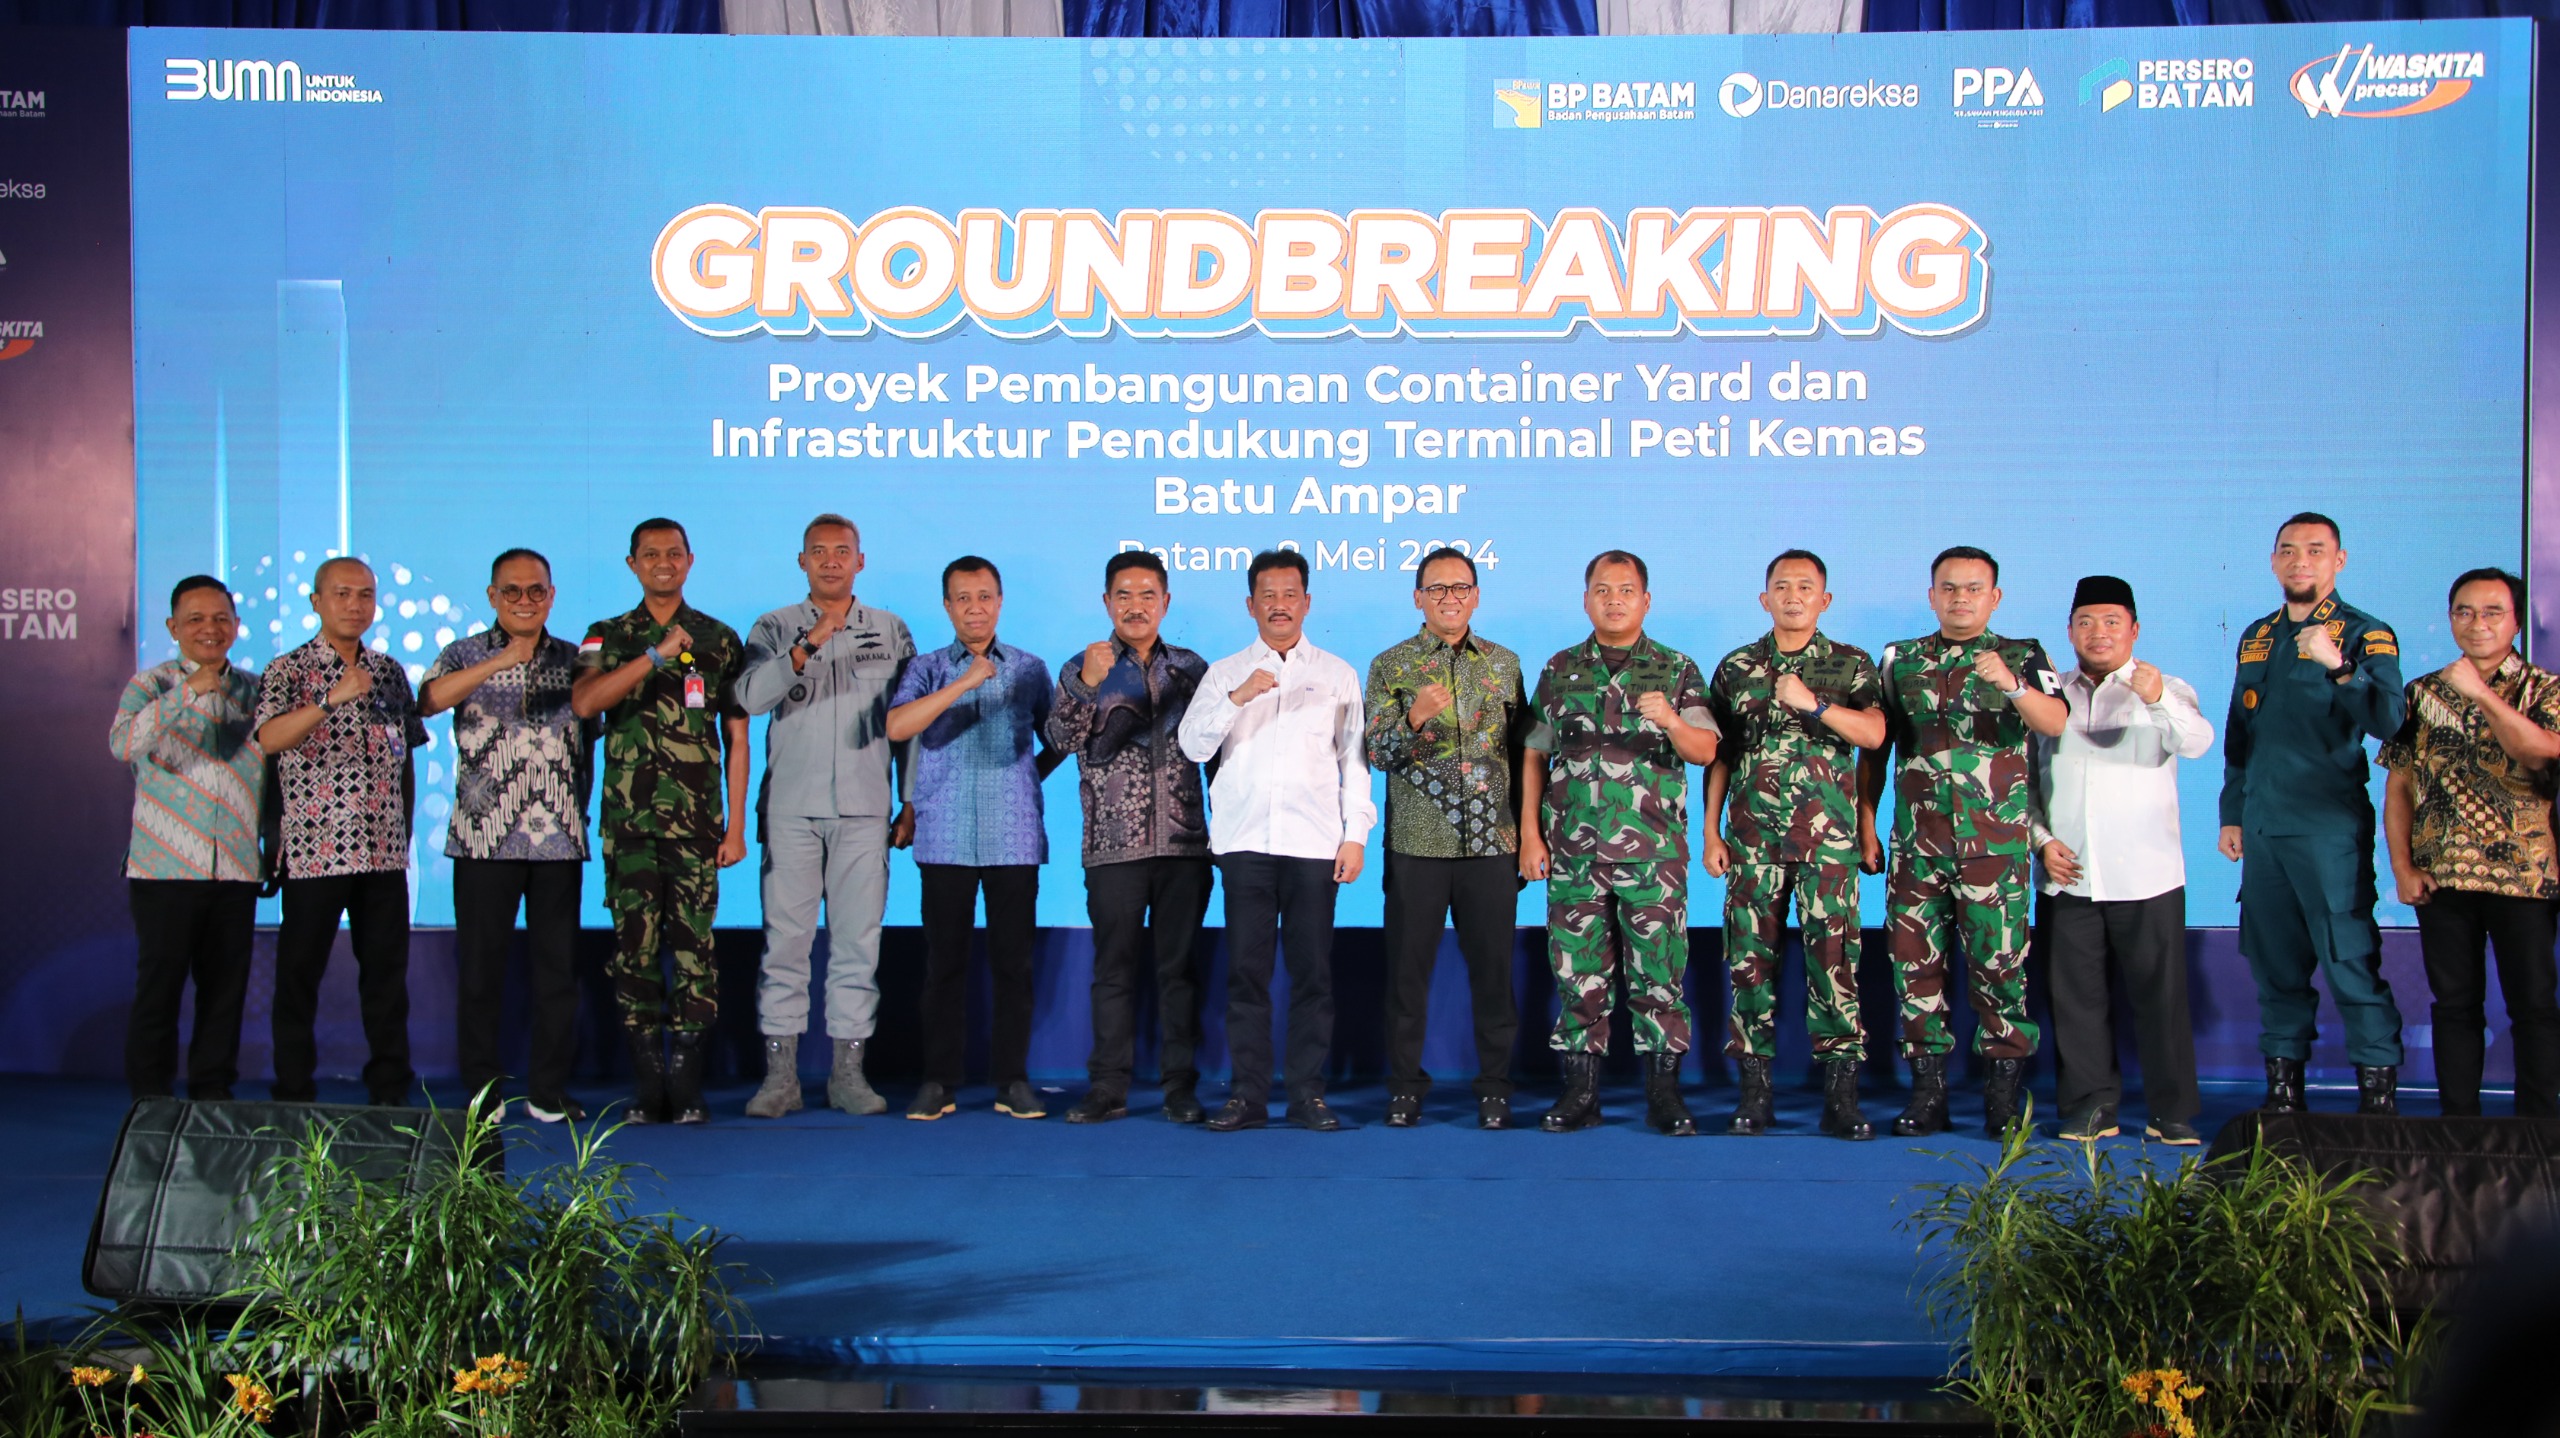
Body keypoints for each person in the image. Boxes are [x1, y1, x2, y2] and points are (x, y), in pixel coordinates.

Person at [1859, 545, 2065, 1138]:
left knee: (2000, 971)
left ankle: (2001, 1099)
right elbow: (1878, 746)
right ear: (1931, 596)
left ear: (1994, 597)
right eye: (1949, 588)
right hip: (1918, 849)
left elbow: (2055, 722)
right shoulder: (1901, 661)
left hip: (1995, 849)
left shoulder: (2023, 655)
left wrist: (2013, 686)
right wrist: (1868, 821)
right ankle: (1928, 1095)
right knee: (1915, 972)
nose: (1960, 599)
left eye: (1973, 589)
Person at [1518, 550, 1718, 1137]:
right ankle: (1581, 1094)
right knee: (1577, 974)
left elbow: (1705, 752)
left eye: (1626, 591)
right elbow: (1534, 753)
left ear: (1646, 600)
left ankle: (1665, 1095)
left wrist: (1673, 721)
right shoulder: (1560, 668)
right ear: (1586, 600)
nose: (1613, 600)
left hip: (1654, 856)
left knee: (1659, 976)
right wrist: (1531, 833)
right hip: (1574, 851)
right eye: (1602, 590)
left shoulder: (1676, 669)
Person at [1178, 550, 1375, 1132]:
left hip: (1315, 845)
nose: (1279, 605)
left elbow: (1355, 761)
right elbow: (1193, 746)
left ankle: (1308, 1094)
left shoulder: (1337, 673)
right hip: (1245, 845)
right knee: (1247, 974)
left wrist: (1355, 835)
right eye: (1268, 595)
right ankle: (1246, 1095)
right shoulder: (1224, 672)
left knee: (1313, 974)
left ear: (1307, 603)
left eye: (1290, 595)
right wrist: (1237, 697)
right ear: (1250, 605)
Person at [2219, 513, 2407, 1115]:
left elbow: (2390, 722)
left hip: (2327, 829)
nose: (2301, 560)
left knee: (2347, 957)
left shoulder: (2364, 634)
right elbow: (2240, 736)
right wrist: (2231, 814)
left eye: (2316, 551)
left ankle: (2376, 1095)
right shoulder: (2257, 635)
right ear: (2274, 561)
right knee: (2274, 963)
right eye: (2289, 550)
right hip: (2264, 828)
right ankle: (2283, 1094)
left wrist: (2339, 665)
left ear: (2339, 561)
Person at [1703, 549, 1887, 1140]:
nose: (1793, 596)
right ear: (1765, 599)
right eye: (1781, 586)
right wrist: (1710, 831)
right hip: (1753, 842)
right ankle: (1755, 1096)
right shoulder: (1735, 667)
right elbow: (1719, 755)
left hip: (1828, 846)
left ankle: (1841, 1098)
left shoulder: (1850, 664)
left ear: (1824, 600)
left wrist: (1816, 704)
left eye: (1805, 587)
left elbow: (1875, 736)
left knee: (1834, 967)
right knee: (1749, 966)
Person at [737, 515, 915, 1120]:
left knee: (857, 946)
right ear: (802, 561)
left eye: (843, 552)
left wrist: (910, 797)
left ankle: (848, 1074)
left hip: (865, 810)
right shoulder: (773, 626)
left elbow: (910, 728)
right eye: (820, 552)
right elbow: (749, 698)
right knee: (784, 945)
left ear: (861, 562)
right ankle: (780, 1077)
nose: (832, 561)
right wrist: (811, 641)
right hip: (790, 808)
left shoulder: (891, 630)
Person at [571, 518, 748, 1125]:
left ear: (690, 560)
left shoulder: (719, 639)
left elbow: (738, 735)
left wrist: (734, 829)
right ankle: (649, 1088)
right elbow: (587, 703)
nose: (663, 563)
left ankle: (688, 1086)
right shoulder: (607, 635)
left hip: (699, 826)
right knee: (634, 952)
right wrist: (654, 655)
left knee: (696, 952)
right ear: (632, 564)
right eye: (651, 555)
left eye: (674, 554)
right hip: (630, 827)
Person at [2026, 576, 2214, 1144]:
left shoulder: (2166, 687)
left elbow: (2198, 742)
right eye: (2085, 622)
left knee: (2161, 998)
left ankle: (2171, 1111)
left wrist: (2155, 699)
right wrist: (2040, 841)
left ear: (2133, 629)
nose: (2097, 633)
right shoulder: (2048, 694)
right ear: (2069, 630)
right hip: (2068, 874)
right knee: (2074, 999)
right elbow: (2025, 782)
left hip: (2147, 874)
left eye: (2111, 622)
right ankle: (2089, 1107)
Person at [420, 548, 594, 1123]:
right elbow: (427, 701)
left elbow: (590, 742)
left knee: (556, 974)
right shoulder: (464, 653)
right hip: (483, 839)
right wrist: (501, 662)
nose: (525, 601)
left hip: (558, 841)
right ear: (493, 596)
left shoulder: (575, 660)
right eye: (512, 591)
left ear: (551, 594)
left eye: (536, 591)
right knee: (480, 971)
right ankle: (481, 1093)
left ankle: (548, 1091)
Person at [2380, 567, 2560, 1117]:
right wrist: (2402, 867)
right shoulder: (2421, 693)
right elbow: (2399, 787)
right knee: (2455, 1007)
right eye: (2464, 611)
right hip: (2443, 879)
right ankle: (2458, 1126)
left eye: (2491, 613)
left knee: (2533, 1008)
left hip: (2524, 879)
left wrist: (2479, 692)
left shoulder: (2544, 688)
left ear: (2516, 622)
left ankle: (2539, 1129)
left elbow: (2540, 754)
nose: (2476, 624)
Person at [887, 556, 1059, 1122]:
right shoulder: (928, 667)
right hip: (945, 835)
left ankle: (1013, 1080)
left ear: (1000, 601)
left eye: (984, 596)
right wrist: (963, 682)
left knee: (1014, 966)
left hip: (1013, 836)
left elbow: (1058, 735)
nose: (975, 608)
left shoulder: (1031, 668)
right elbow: (897, 726)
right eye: (963, 598)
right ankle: (939, 1081)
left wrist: (1026, 772)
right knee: (945, 966)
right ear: (947, 606)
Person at [1364, 547, 1529, 1131]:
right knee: (1408, 976)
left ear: (1477, 596)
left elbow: (1522, 755)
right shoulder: (1391, 666)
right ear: (1418, 598)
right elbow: (1375, 753)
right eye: (1437, 589)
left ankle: (1494, 1089)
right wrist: (1413, 718)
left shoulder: (1505, 665)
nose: (1450, 597)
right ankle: (1405, 1088)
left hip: (1491, 846)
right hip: (1417, 846)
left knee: (1493, 973)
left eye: (1461, 587)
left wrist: (1528, 833)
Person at [1047, 551, 1215, 1125]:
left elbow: (1218, 756)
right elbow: (1059, 740)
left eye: (1148, 595)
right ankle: (1107, 1087)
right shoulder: (1081, 667)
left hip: (1185, 846)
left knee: (1180, 970)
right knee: (1112, 969)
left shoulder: (1193, 669)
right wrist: (1088, 688)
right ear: (1106, 603)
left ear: (1166, 602)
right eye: (1124, 595)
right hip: (1112, 847)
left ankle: (1180, 1087)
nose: (1136, 606)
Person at [254, 557, 429, 1106]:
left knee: (385, 982)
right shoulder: (288, 670)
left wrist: (402, 834)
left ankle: (389, 1091)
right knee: (299, 977)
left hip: (381, 853)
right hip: (314, 851)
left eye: (365, 595)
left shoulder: (389, 671)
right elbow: (269, 740)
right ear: (316, 601)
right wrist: (329, 700)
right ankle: (293, 1089)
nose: (355, 605)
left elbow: (406, 758)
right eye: (342, 594)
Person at [112, 575, 263, 1102]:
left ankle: (212, 1093)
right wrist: (189, 690)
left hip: (237, 868)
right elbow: (124, 743)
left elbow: (272, 774)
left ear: (237, 626)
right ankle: (150, 1097)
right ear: (174, 627)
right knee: (160, 987)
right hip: (164, 868)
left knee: (224, 992)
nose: (210, 629)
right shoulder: (150, 685)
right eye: (196, 619)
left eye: (221, 618)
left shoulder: (256, 688)